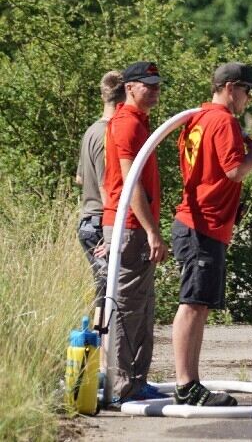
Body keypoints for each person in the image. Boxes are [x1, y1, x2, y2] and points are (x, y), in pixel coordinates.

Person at [170, 62, 252, 406]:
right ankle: (185, 385)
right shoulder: (224, 120)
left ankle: (191, 384)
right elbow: (233, 171)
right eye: (247, 91)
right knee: (193, 305)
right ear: (230, 87)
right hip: (202, 226)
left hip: (201, 223)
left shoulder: (199, 117)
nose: (249, 98)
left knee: (199, 305)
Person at [102, 61, 169, 402]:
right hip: (131, 228)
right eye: (148, 84)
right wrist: (152, 231)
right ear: (130, 87)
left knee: (142, 306)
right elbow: (131, 186)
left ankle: (136, 382)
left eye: (157, 84)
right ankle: (123, 386)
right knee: (127, 307)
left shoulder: (141, 122)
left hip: (129, 227)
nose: (155, 90)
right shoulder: (127, 124)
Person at [75, 70, 125, 372]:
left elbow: (81, 178)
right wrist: (113, 233)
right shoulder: (110, 134)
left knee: (103, 291)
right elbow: (110, 188)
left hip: (87, 219)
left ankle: (99, 364)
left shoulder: (91, 130)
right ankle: (102, 366)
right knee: (109, 294)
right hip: (100, 222)